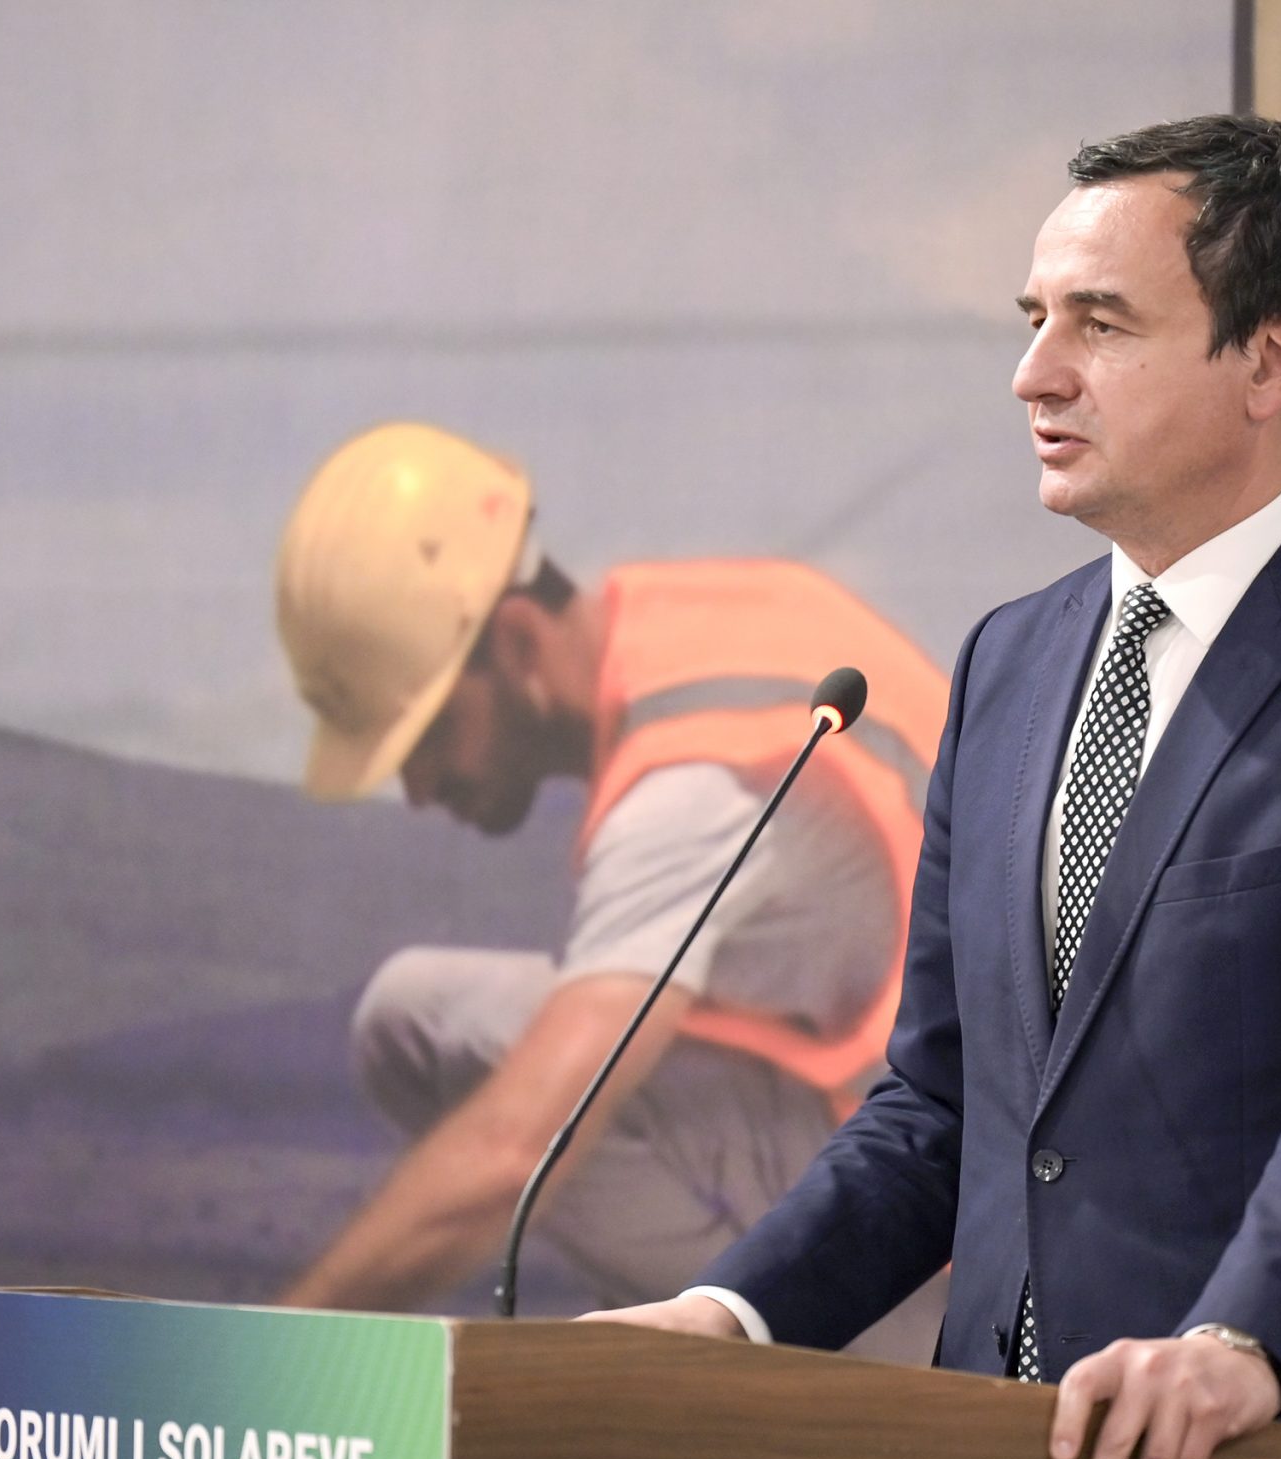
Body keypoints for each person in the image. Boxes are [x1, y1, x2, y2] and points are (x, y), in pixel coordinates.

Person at [589, 117, 1281, 1459]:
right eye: (1034, 319)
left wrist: (1236, 1342)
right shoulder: (1010, 660)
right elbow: (942, 1103)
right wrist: (736, 1312)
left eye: (1099, 323)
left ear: (1272, 358)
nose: (1034, 374)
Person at [270, 421, 949, 1360]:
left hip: (918, 1234)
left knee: (500, 1081)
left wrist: (266, 1362)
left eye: (429, 735)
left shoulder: (699, 786)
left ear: (516, 641)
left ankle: (751, 1357)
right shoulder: (693, 634)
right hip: (922, 1150)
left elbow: (512, 1149)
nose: (418, 789)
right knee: (417, 1016)